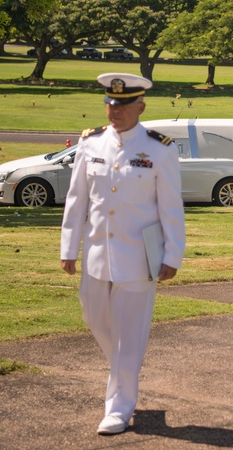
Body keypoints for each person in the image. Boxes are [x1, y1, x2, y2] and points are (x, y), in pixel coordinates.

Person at [60, 72, 185, 436]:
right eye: (111, 104)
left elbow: (171, 208)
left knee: (130, 337)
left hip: (139, 258)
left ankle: (119, 406)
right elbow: (77, 200)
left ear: (140, 107)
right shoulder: (90, 144)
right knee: (95, 319)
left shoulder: (159, 149)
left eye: (124, 105)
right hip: (97, 254)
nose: (115, 110)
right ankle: (122, 372)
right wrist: (69, 248)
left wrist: (173, 255)